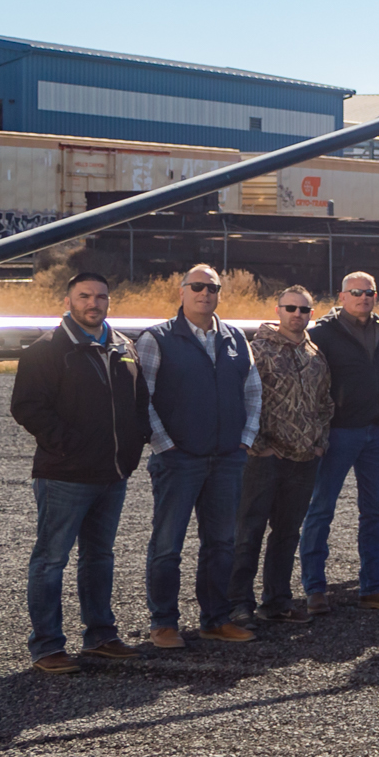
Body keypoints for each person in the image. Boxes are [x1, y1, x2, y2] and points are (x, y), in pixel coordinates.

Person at [12, 272, 149, 673]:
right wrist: (67, 444)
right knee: (50, 559)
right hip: (65, 474)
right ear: (69, 299)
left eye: (101, 296)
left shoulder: (123, 345)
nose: (94, 303)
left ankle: (101, 636)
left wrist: (136, 441)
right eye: (85, 296)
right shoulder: (48, 349)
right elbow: (27, 407)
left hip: (112, 473)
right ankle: (47, 645)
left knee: (99, 557)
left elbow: (139, 400)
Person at [135, 263, 261, 647]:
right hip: (179, 460)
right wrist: (165, 446)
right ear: (182, 291)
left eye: (212, 287)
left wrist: (246, 439)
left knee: (222, 543)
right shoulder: (156, 339)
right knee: (167, 544)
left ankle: (215, 618)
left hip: (227, 458)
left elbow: (252, 391)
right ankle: (164, 622)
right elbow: (143, 400)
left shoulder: (236, 338)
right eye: (197, 287)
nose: (205, 293)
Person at [230, 285, 332, 625]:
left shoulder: (315, 355)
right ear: (278, 311)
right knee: (248, 532)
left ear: (311, 315)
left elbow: (324, 403)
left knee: (287, 534)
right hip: (264, 458)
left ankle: (277, 600)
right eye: (291, 308)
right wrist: (259, 445)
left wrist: (319, 442)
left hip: (303, 459)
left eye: (304, 310)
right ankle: (238, 603)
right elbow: (241, 400)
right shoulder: (256, 350)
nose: (297, 315)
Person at [302, 271, 379, 612]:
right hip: (339, 432)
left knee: (375, 513)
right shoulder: (321, 335)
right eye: (356, 292)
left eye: (369, 292)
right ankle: (315, 589)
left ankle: (374, 587)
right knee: (320, 510)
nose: (363, 297)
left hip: (378, 433)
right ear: (341, 297)